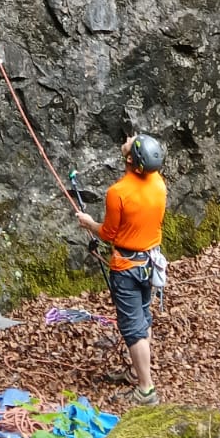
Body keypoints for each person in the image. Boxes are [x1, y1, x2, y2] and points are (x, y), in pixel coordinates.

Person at [76, 133, 167, 406]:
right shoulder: (159, 183)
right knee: (143, 317)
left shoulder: (118, 193)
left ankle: (146, 390)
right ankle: (139, 371)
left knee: (132, 328)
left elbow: (108, 233)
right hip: (150, 263)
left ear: (130, 159)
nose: (129, 138)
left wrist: (89, 223)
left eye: (133, 142)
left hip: (127, 267)